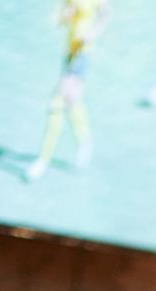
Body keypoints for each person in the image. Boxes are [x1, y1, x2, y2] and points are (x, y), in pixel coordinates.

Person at [26, 0, 110, 183]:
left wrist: (92, 33)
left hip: (82, 52)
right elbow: (61, 19)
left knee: (56, 100)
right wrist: (65, 17)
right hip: (69, 51)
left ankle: (43, 160)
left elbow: (105, 14)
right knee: (72, 101)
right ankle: (85, 141)